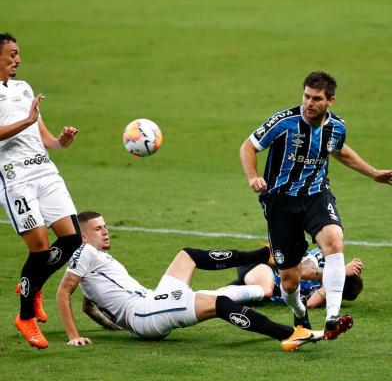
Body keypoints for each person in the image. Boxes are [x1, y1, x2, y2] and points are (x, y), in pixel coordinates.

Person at [240, 71, 392, 339]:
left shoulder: (337, 127)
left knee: (334, 239)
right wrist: (253, 176)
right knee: (290, 281)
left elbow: (338, 150)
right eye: (306, 96)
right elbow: (248, 147)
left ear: (330, 101)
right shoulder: (284, 122)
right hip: (280, 203)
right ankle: (300, 314)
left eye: (316, 98)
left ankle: (333, 316)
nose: (309, 102)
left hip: (316, 196)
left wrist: (373, 173)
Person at [57, 211, 325, 352]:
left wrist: (113, 326)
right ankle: (291, 334)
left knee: (187, 256)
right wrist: (74, 336)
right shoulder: (85, 253)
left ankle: (264, 255)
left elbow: (87, 305)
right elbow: (63, 292)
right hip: (143, 313)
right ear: (82, 237)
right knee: (218, 303)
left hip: (148, 302)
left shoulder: (94, 260)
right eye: (97, 229)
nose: (105, 231)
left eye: (105, 226)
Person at [0, 33, 82, 349]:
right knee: (39, 249)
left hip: (45, 171)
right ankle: (25, 317)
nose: (18, 59)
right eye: (12, 53)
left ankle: (32, 287)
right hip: (16, 179)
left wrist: (61, 141)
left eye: (18, 53)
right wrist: (26, 120)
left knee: (72, 238)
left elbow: (42, 134)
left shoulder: (23, 88)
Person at [207, 246, 363, 309]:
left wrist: (328, 288)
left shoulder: (324, 295)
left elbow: (307, 305)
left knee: (220, 299)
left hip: (261, 287)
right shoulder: (321, 256)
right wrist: (337, 271)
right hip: (262, 266)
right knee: (266, 290)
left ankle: (200, 297)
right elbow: (303, 270)